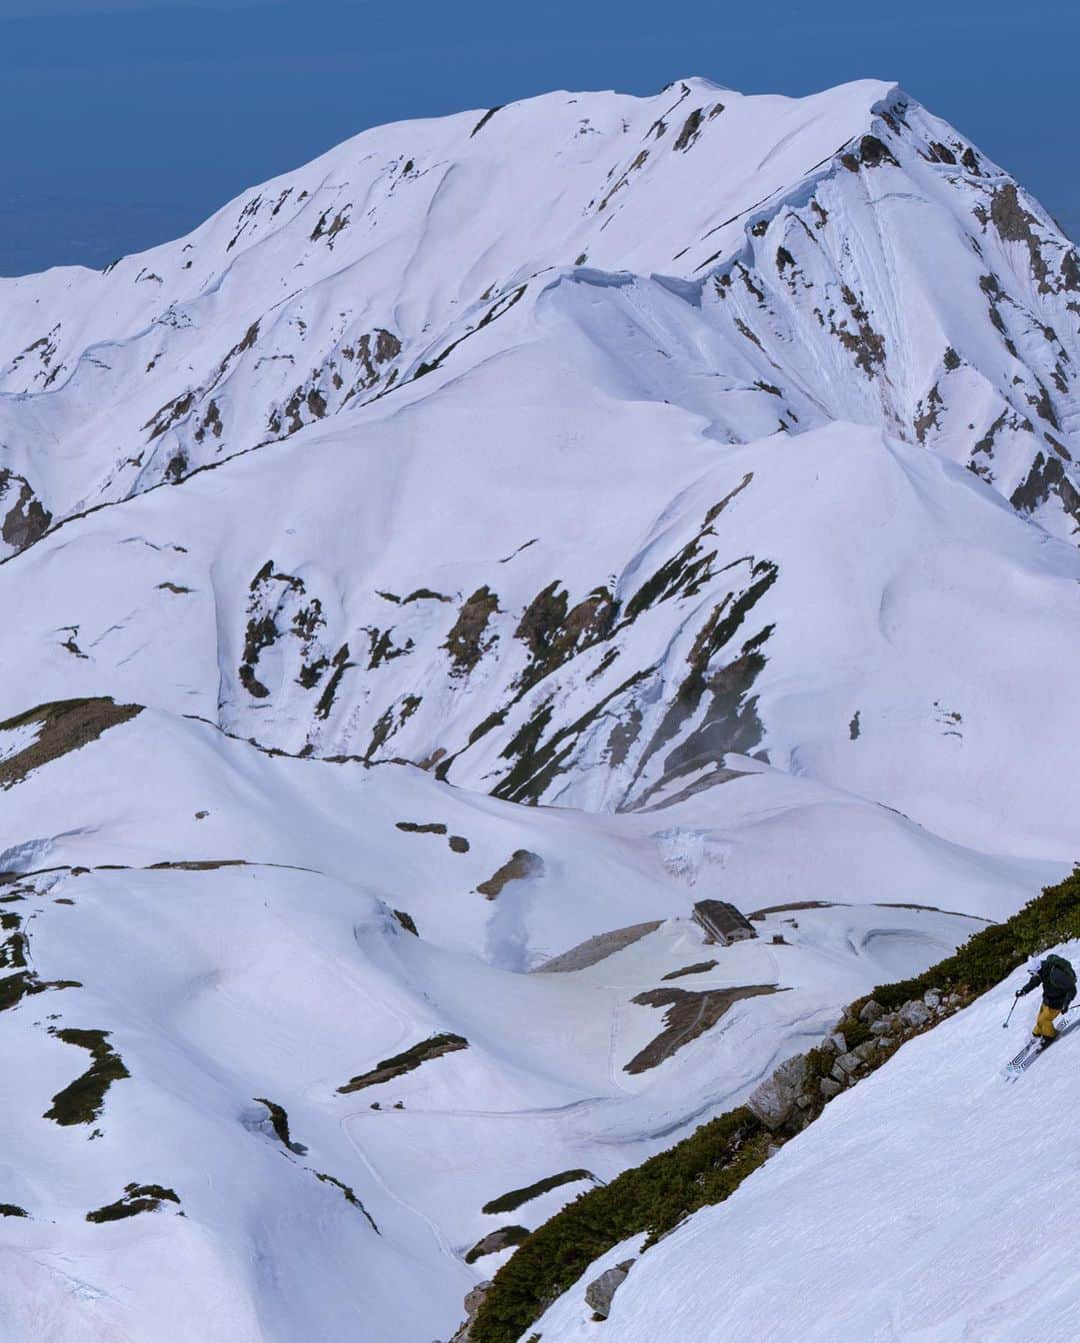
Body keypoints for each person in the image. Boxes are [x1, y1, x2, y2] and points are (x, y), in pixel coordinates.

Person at [1016, 954, 1077, 1044]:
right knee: (1039, 1019)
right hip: (1048, 1000)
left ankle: (1050, 1035)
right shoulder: (1042, 971)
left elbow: (1072, 989)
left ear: (1037, 968)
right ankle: (1039, 1032)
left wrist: (1066, 1004)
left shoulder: (1056, 975)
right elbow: (1034, 981)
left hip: (1057, 1002)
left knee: (1044, 1020)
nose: (1032, 975)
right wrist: (1024, 991)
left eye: (1032, 973)